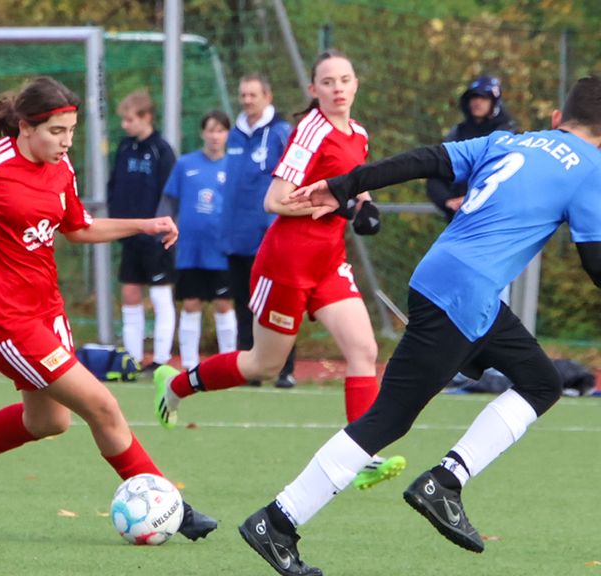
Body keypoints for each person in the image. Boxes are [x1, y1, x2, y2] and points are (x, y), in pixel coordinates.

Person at [239, 75, 601, 576]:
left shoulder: (510, 140)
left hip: (438, 277)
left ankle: (446, 482)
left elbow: (424, 159)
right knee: (388, 419)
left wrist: (346, 184)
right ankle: (277, 521)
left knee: (542, 381)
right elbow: (596, 263)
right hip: (464, 297)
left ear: (560, 118)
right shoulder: (591, 167)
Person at [0, 76, 217, 540]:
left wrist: (144, 225)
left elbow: (77, 227)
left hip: (46, 310)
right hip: (5, 320)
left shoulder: (62, 166)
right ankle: (175, 507)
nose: (66, 141)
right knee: (102, 405)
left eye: (71, 131)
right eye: (57, 131)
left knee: (49, 420)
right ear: (26, 127)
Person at [154, 50, 405, 490]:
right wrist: (343, 202)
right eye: (328, 82)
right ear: (314, 90)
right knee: (263, 365)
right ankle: (176, 386)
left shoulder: (359, 134)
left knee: (363, 350)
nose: (338, 88)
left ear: (356, 84)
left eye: (345, 79)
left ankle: (362, 456)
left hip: (328, 262)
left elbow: (348, 187)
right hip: (287, 263)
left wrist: (362, 205)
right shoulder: (310, 129)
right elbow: (276, 201)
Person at [222, 73, 298, 387]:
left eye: (253, 95)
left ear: (268, 97)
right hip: (235, 236)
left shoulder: (281, 132)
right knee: (244, 303)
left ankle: (285, 369)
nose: (247, 100)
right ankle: (247, 367)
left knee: (276, 302)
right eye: (243, 95)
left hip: (269, 236)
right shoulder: (235, 134)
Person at [158, 110, 237, 370]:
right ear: (203, 133)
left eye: (221, 130)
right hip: (190, 250)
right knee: (191, 303)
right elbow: (169, 202)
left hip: (221, 249)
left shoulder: (234, 166)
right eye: (211, 130)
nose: (215, 135)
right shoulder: (185, 164)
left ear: (227, 134)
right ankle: (190, 365)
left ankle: (228, 363)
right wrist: (164, 229)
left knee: (223, 303)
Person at [107, 89, 177, 371]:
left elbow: (170, 194)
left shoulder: (162, 150)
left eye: (130, 119)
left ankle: (161, 359)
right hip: (129, 234)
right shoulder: (124, 147)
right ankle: (132, 359)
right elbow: (114, 185)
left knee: (160, 295)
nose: (125, 125)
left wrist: (161, 227)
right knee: (130, 294)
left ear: (146, 117)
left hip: (156, 235)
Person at [427, 75, 517, 221]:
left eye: (484, 98)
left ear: (494, 102)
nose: (477, 102)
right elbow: (437, 173)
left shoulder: (507, 135)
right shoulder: (457, 133)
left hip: (494, 217)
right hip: (460, 216)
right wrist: (448, 201)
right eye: (474, 97)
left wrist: (474, 199)